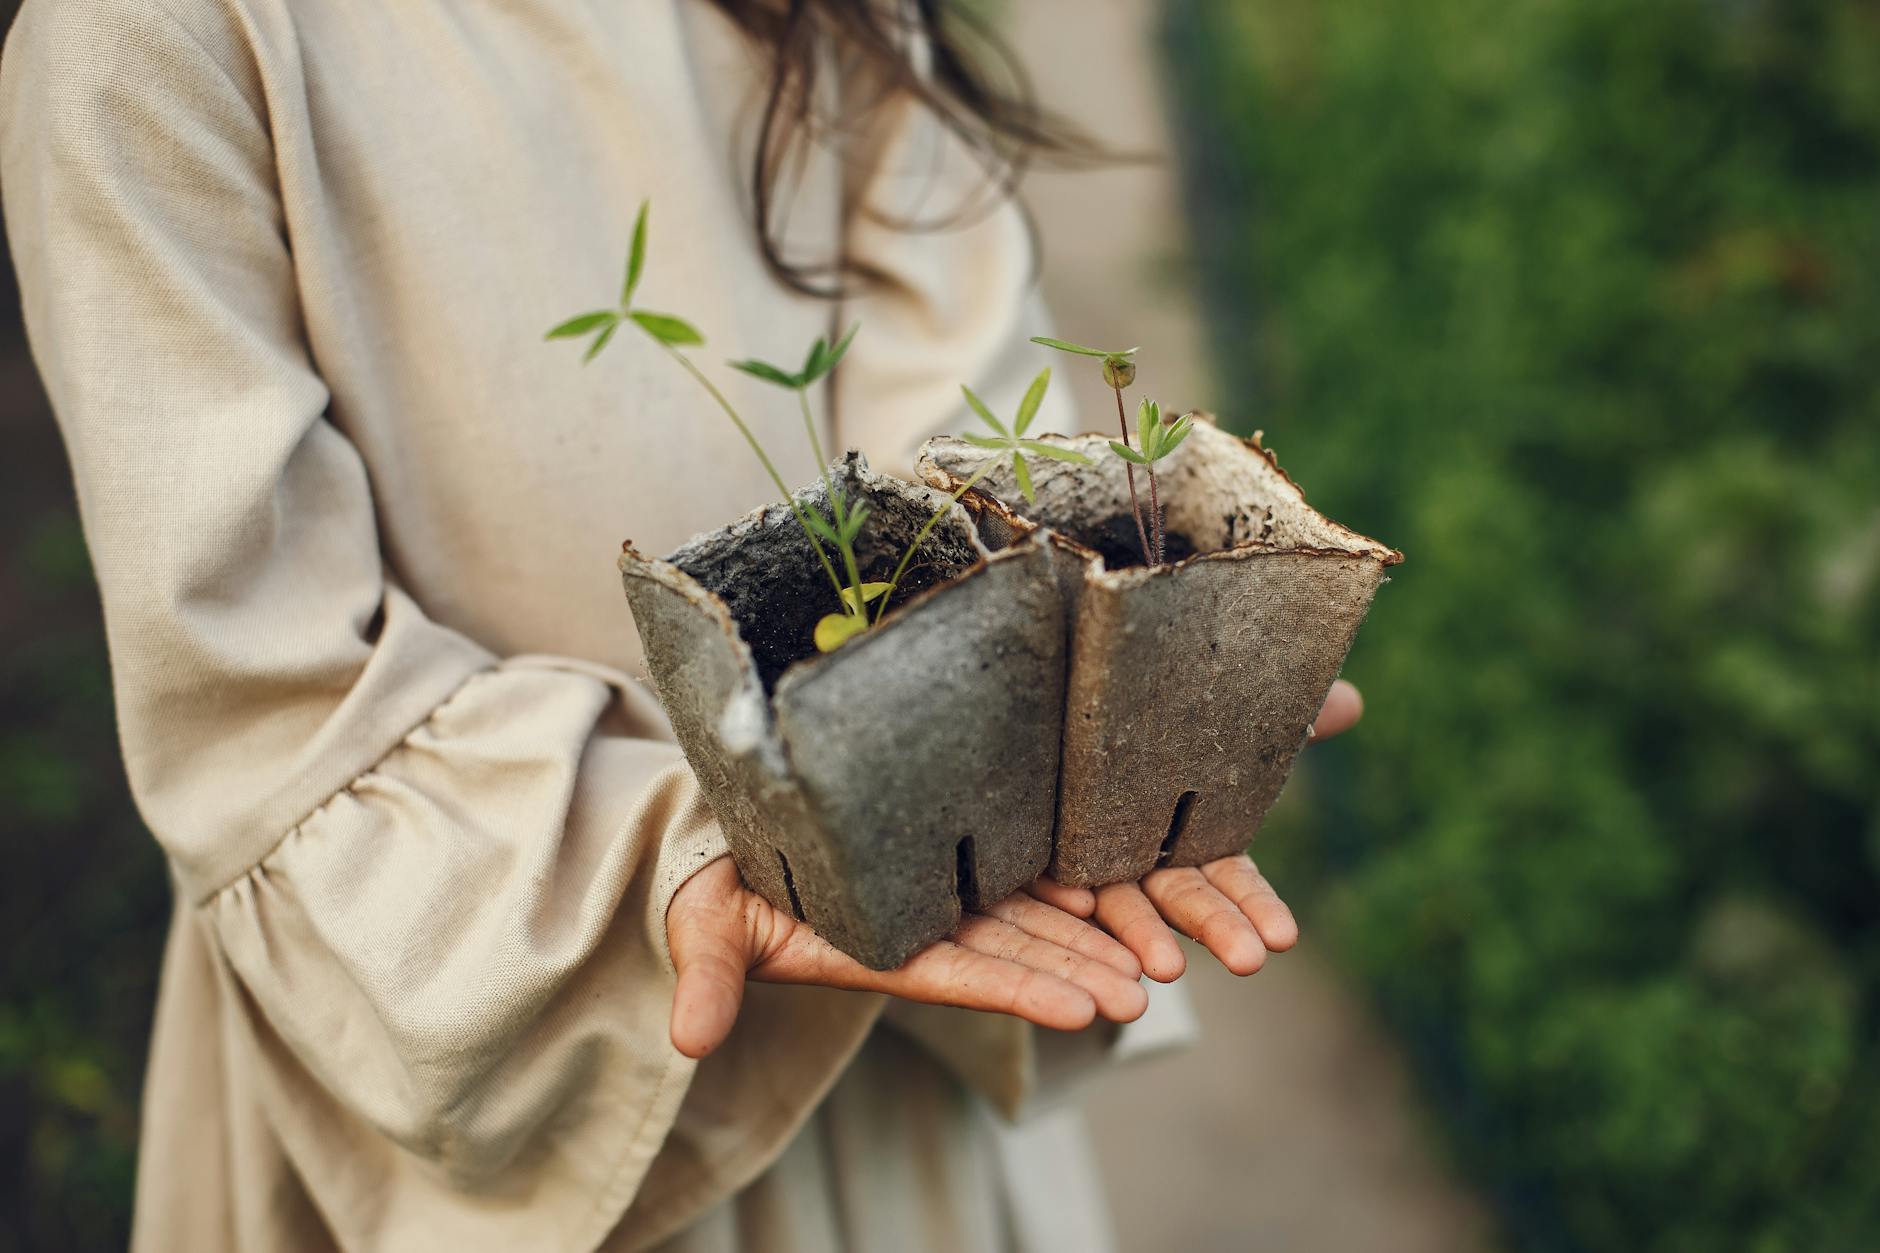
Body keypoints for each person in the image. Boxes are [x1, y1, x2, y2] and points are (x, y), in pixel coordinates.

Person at [0, 1, 1362, 1248]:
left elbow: (957, 418)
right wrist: (681, 859)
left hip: (896, 1008)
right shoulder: (146, 40)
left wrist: (1077, 674)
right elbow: (267, 708)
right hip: (524, 1034)